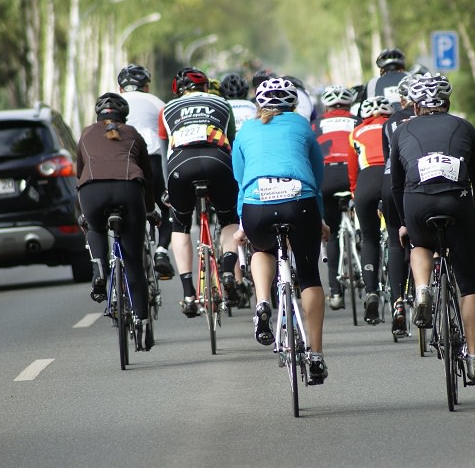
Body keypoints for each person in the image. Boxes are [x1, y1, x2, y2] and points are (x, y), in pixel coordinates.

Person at [390, 73, 475, 381]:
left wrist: (406, 223)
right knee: (469, 281)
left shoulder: (402, 131)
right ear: (447, 102)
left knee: (420, 244)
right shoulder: (464, 127)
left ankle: (422, 290)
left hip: (417, 202)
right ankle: (473, 358)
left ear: (416, 106)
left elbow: (395, 186)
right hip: (458, 202)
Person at [231, 77, 330, 384]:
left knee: (261, 249)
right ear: (292, 103)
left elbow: (241, 178)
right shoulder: (302, 126)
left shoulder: (246, 130)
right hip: (300, 202)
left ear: (259, 104)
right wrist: (321, 220)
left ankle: (263, 301)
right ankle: (316, 355)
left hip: (257, 205)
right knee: (310, 275)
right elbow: (317, 176)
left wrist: (242, 224)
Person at [158, 67, 243, 317]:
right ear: (205, 87)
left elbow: (166, 152)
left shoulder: (167, 109)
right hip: (217, 160)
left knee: (180, 225)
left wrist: (167, 187)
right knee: (229, 219)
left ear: (178, 90)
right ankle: (228, 270)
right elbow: (231, 141)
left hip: (180, 166)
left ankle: (188, 293)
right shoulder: (222, 103)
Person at [77, 92, 155, 351]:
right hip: (128, 189)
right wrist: (151, 208)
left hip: (92, 192)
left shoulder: (87, 134)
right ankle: (142, 322)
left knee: (95, 227)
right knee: (134, 263)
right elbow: (148, 174)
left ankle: (99, 268)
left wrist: (83, 212)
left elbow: (80, 174)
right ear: (124, 116)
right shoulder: (133, 133)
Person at [117, 63, 175, 280]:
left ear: (121, 88)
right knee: (167, 207)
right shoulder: (157, 102)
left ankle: (123, 255)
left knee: (123, 208)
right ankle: (161, 251)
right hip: (152, 159)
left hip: (121, 163)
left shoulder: (111, 100)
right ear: (146, 87)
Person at [311, 85, 361, 310]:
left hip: (326, 177)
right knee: (366, 224)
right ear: (349, 105)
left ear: (327, 106)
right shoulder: (358, 121)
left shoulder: (316, 125)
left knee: (331, 235)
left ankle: (335, 292)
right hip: (353, 175)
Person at [347, 95, 394, 325]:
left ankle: (371, 291)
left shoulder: (355, 133)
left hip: (366, 183)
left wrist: (356, 194)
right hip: (390, 180)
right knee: (397, 238)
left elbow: (352, 169)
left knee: (369, 238)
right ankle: (400, 300)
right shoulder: (397, 127)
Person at [381, 74, 416, 336]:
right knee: (422, 241)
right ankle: (424, 286)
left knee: (395, 240)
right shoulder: (435, 120)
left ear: (402, 99)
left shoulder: (391, 121)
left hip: (391, 183)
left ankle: (398, 303)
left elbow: (388, 160)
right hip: (421, 186)